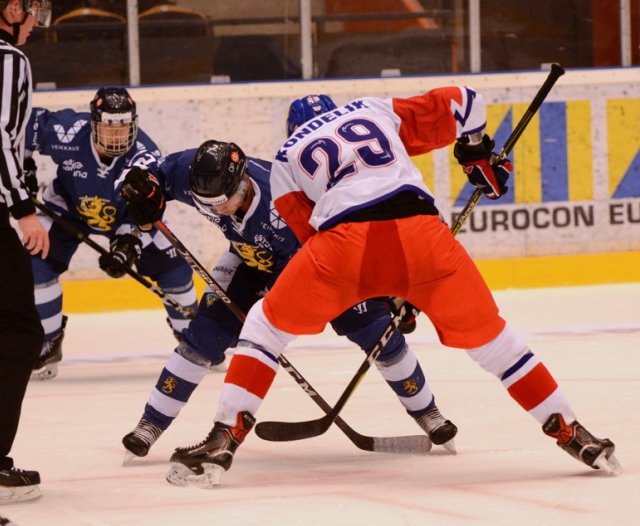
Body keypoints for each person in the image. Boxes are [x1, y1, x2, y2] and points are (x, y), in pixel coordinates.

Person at [158, 89, 621, 487]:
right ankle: (572, 431)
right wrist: (475, 153)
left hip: (346, 244)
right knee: (496, 344)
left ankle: (224, 438)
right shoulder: (372, 110)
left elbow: (312, 242)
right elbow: (468, 102)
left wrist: (374, 286)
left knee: (264, 325)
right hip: (425, 237)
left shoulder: (284, 160)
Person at [118, 133, 457, 463]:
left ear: (242, 183)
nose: (218, 211)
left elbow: (309, 273)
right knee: (202, 338)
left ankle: (428, 412)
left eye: (223, 203)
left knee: (377, 332)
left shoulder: (282, 206)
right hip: (248, 259)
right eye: (209, 205)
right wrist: (142, 188)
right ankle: (151, 424)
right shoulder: (197, 174)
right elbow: (150, 174)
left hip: (323, 263)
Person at [24, 86, 198, 380]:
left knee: (175, 274)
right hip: (69, 207)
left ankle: (195, 339)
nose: (117, 136)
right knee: (35, 263)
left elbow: (145, 212)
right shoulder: (67, 131)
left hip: (125, 218)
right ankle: (49, 342)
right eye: (109, 128)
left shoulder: (145, 157)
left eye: (124, 128)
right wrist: (23, 168)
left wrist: (127, 245)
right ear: (94, 124)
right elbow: (18, 127)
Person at [0, 0, 52, 504]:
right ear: (11, 9)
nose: (36, 23)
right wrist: (22, 208)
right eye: (33, 10)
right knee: (18, 332)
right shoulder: (8, 59)